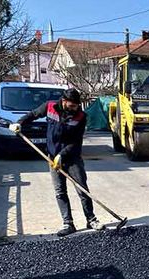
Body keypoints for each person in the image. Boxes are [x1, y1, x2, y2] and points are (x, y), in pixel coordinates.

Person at [10, 88, 105, 237]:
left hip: (72, 158)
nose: (75, 108)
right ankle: (68, 223)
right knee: (60, 192)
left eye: (76, 105)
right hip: (51, 157)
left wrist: (62, 155)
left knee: (82, 189)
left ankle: (91, 219)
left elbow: (76, 141)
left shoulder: (80, 116)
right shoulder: (49, 107)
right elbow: (33, 114)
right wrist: (19, 123)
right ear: (64, 101)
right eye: (72, 105)